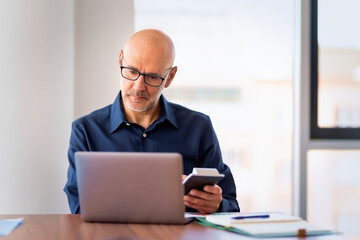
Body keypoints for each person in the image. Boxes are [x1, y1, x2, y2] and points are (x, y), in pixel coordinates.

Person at [64, 29, 240, 214]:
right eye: (132, 71)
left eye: (152, 77)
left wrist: (218, 205)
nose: (138, 86)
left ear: (170, 77)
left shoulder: (199, 127)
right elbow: (79, 208)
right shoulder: (85, 130)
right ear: (120, 62)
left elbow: (231, 203)